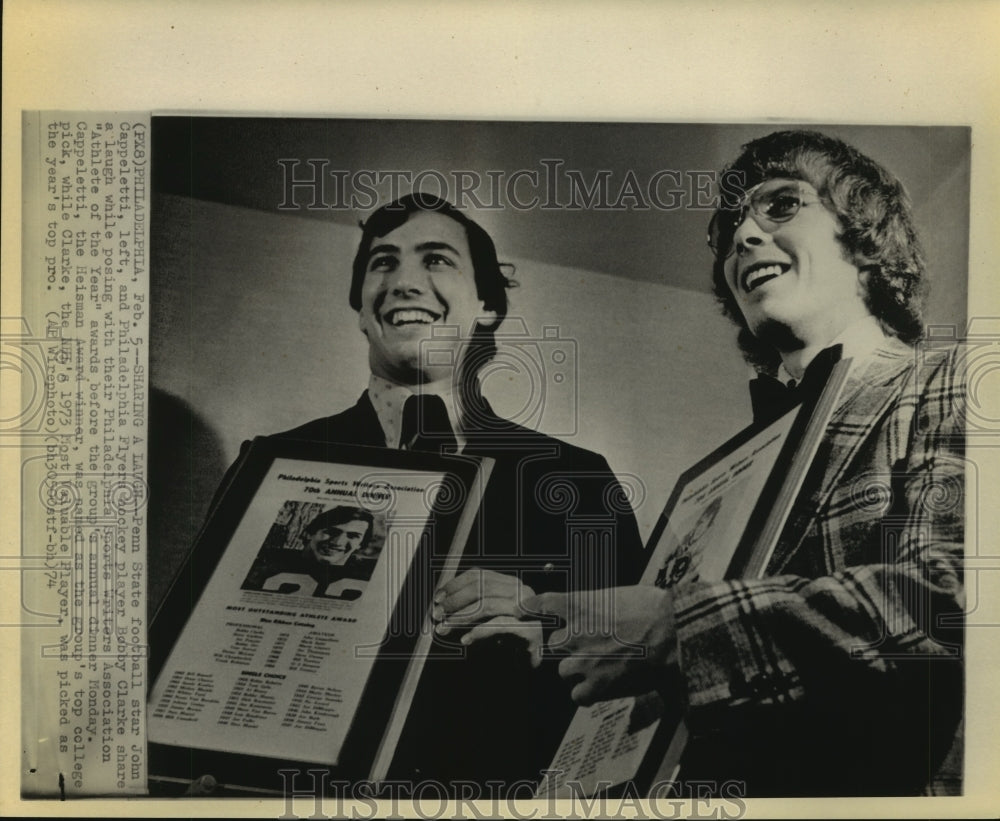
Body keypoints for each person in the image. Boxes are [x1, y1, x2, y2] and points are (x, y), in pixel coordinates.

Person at [525, 131, 966, 797]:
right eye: (729, 227)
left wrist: (682, 627)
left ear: (867, 239)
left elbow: (953, 606)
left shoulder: (953, 379)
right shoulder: (730, 474)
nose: (744, 237)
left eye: (782, 206)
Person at [230, 193, 645, 789]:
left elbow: (635, 666)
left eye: (435, 260)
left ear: (485, 309)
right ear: (360, 309)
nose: (403, 282)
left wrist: (547, 624)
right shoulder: (269, 466)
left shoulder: (578, 479)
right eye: (382, 262)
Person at [241, 505, 375, 599]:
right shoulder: (264, 560)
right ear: (309, 533)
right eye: (331, 532)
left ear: (361, 544)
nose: (338, 542)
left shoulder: (371, 574)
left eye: (353, 536)